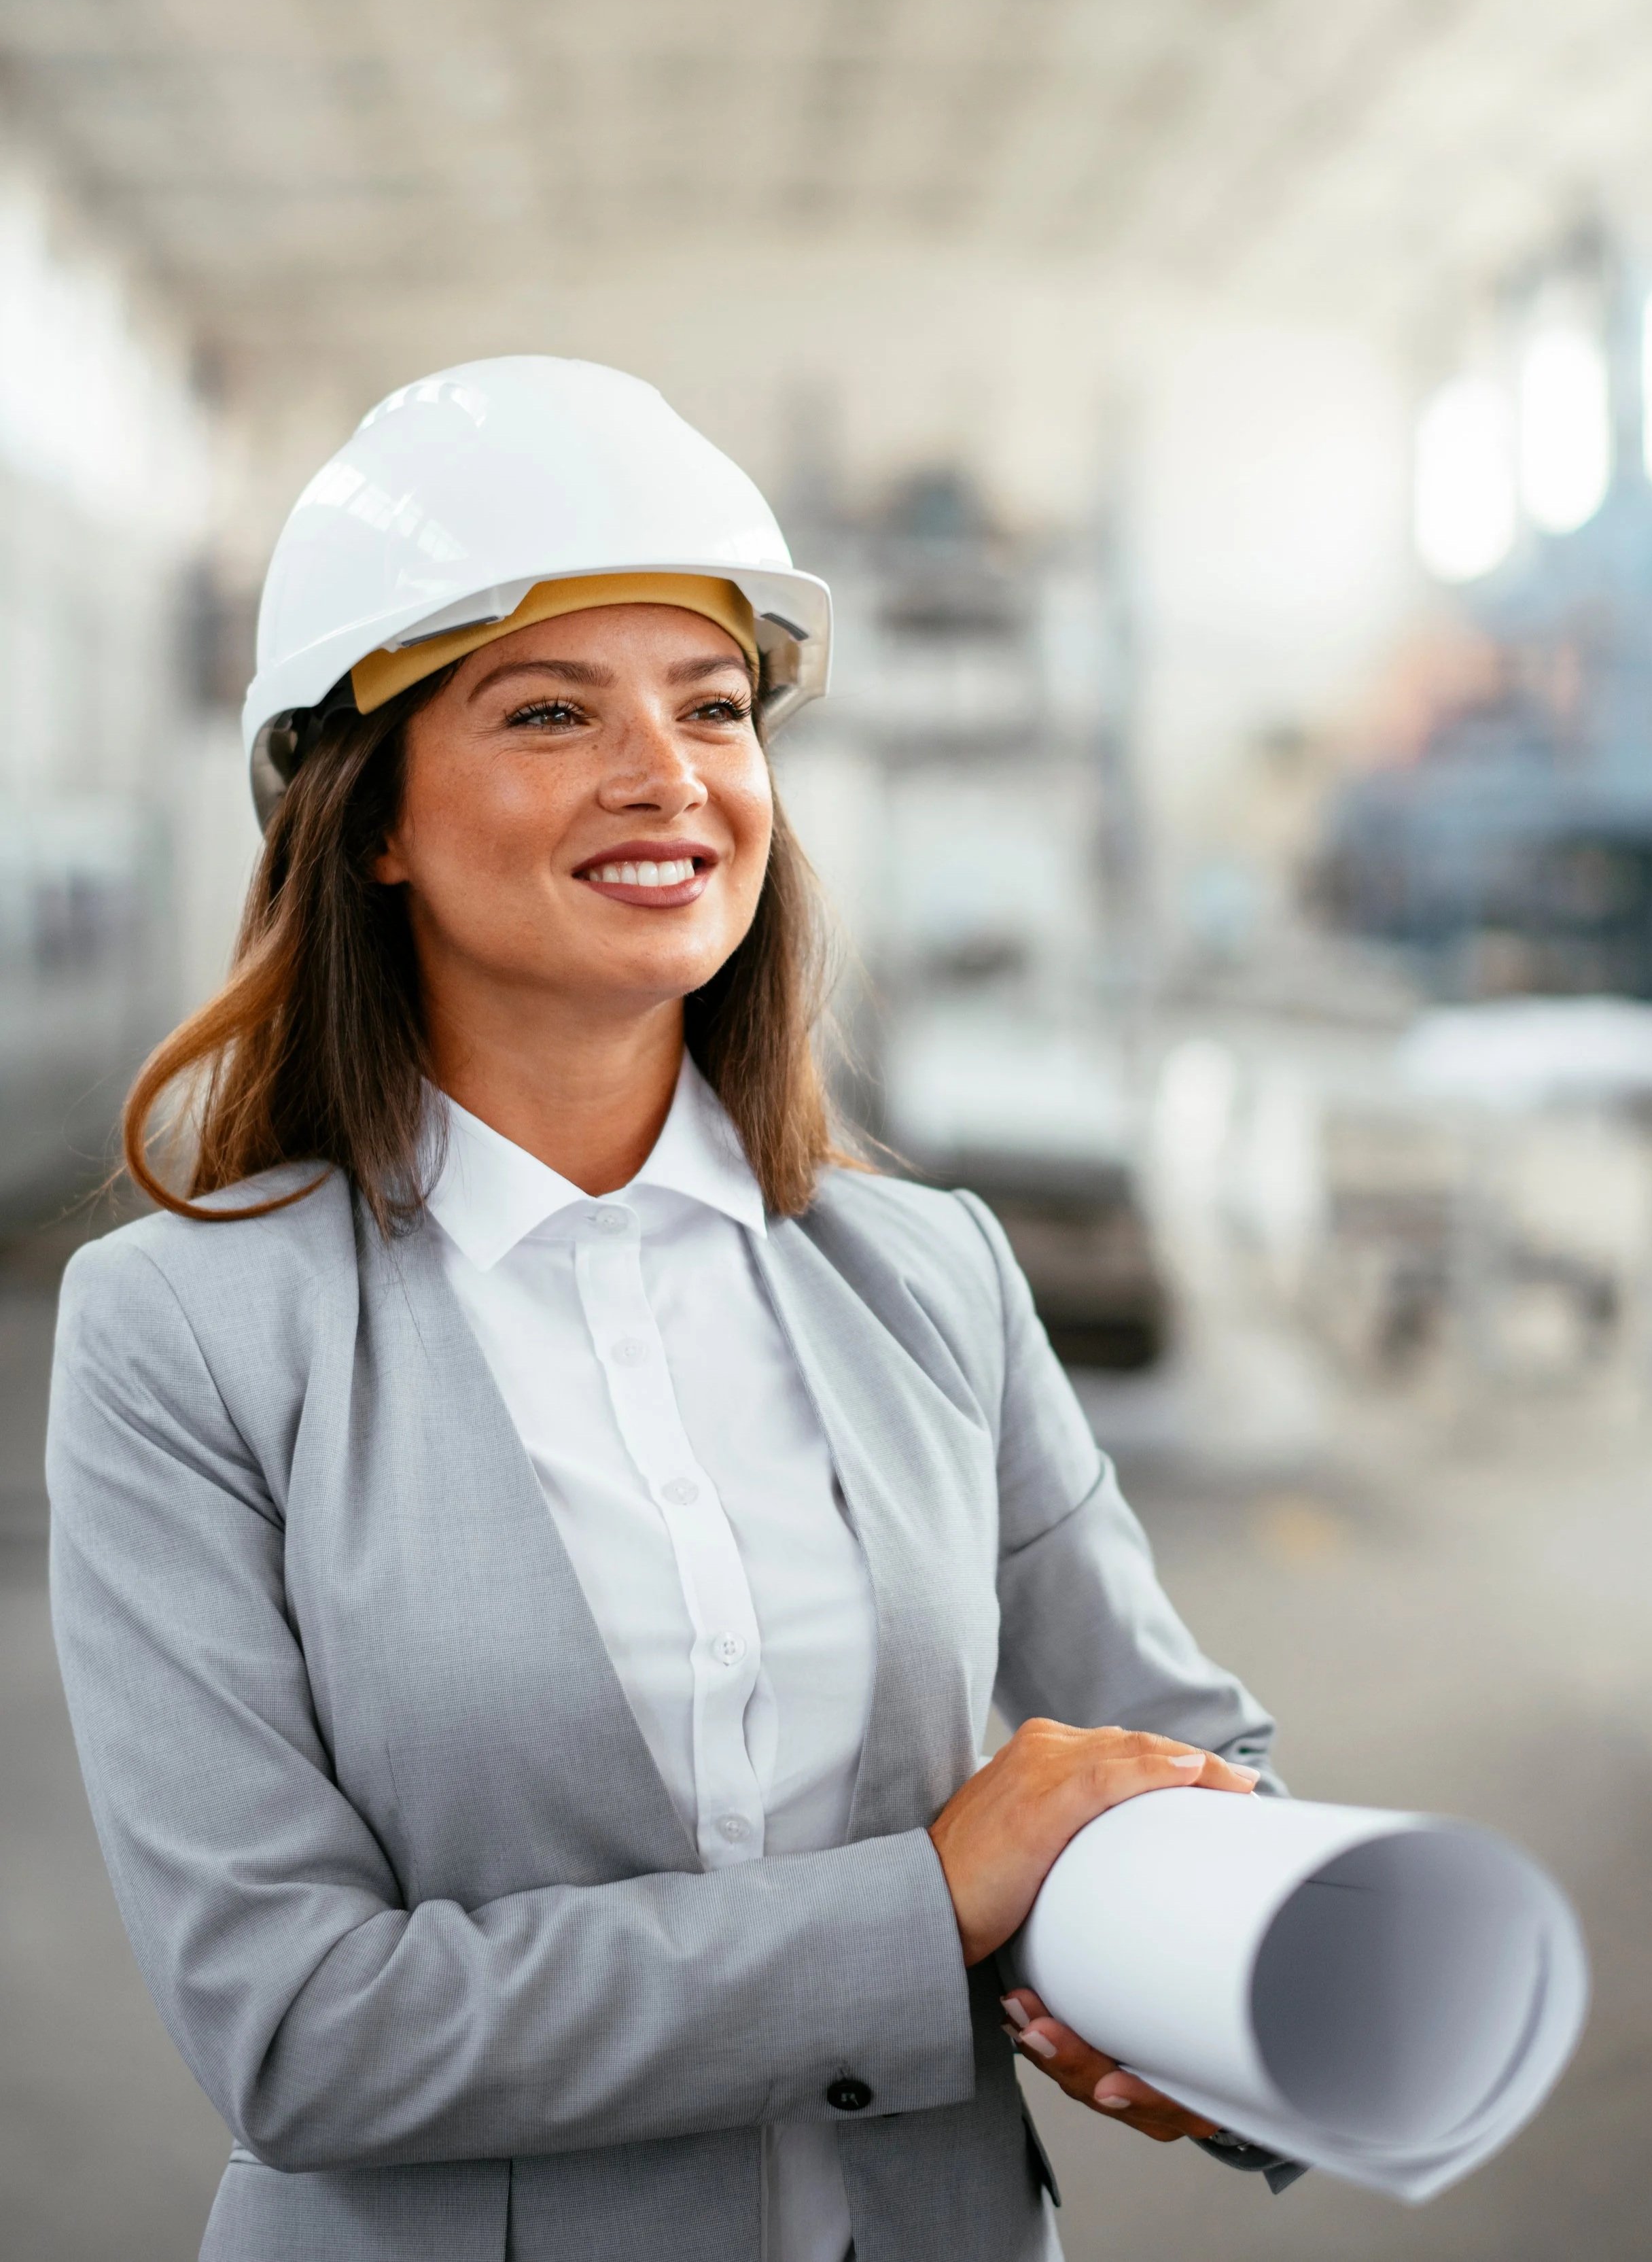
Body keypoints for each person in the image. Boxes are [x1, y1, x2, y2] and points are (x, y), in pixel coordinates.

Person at [48, 358, 1279, 2262]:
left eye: (714, 707)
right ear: (369, 819)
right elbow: (299, 2032)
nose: (670, 777)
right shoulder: (184, 1338)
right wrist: (926, 1906)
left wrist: (1217, 1975)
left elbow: (1184, 1755)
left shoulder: (931, 1271)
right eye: (551, 712)